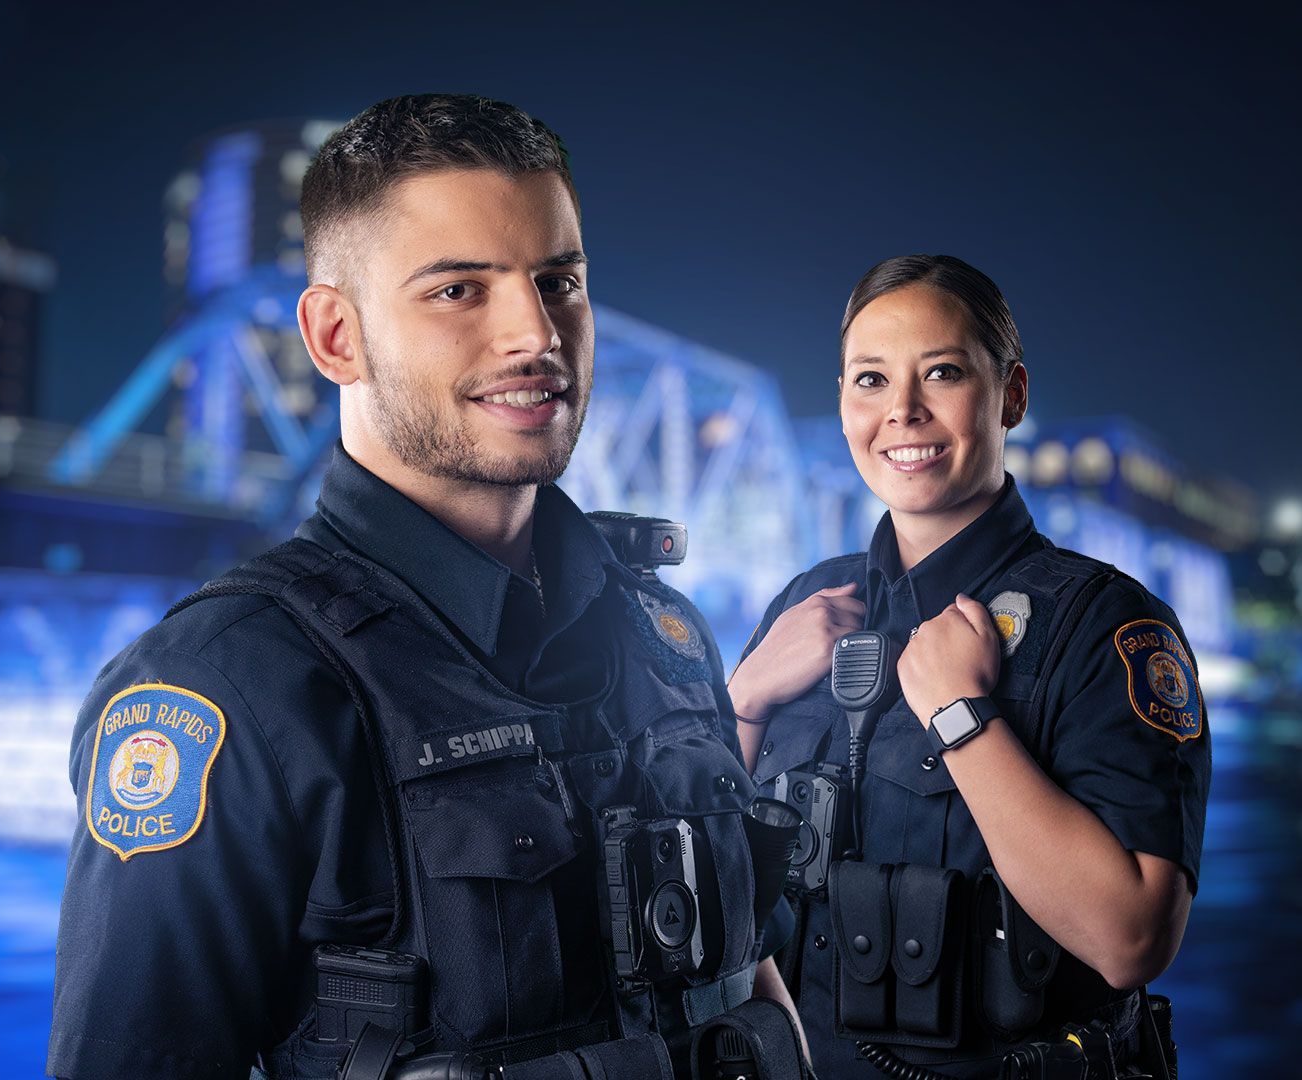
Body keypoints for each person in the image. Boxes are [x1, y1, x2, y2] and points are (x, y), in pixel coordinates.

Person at [48, 94, 798, 1080]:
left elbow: (751, 981)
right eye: (459, 291)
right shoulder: (230, 688)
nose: (536, 333)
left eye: (559, 281)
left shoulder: (666, 635)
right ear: (333, 338)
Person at [730, 255, 1209, 1078]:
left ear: (1011, 395)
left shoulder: (1106, 624)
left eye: (941, 373)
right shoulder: (805, 606)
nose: (902, 413)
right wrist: (739, 705)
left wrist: (964, 721)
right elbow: (707, 882)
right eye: (870, 380)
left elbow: (1132, 938)